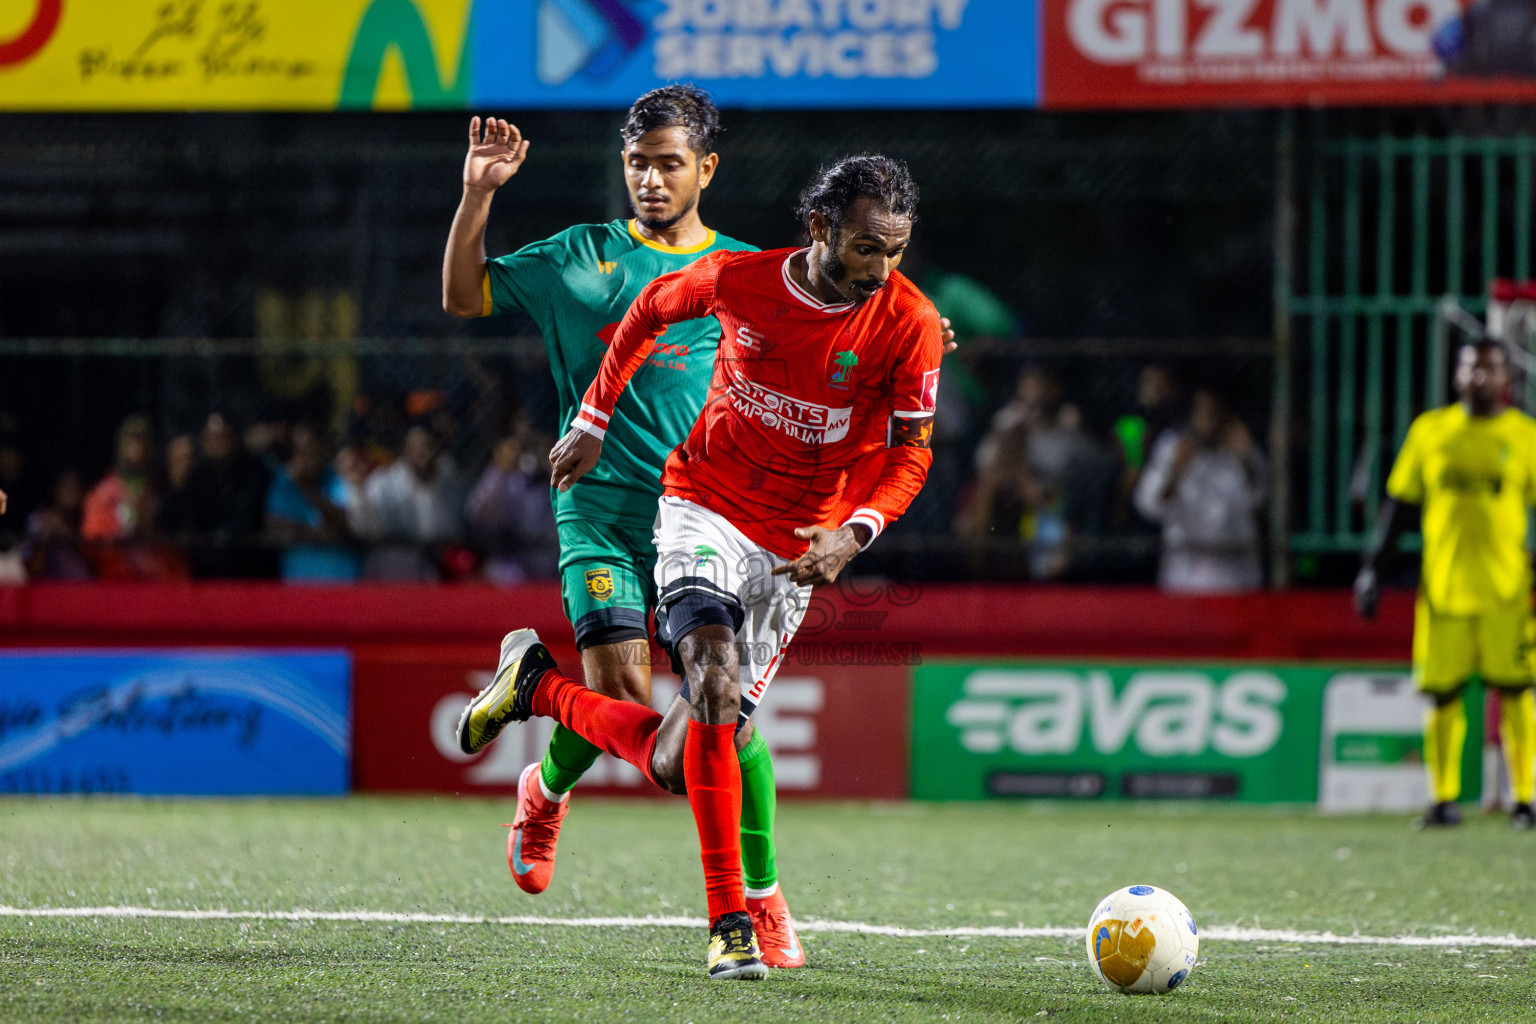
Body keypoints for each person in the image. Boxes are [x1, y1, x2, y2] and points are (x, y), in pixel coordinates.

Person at [457, 155, 942, 980]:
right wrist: (595, 414)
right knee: (712, 682)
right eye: (866, 248)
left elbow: (912, 453)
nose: (880, 269)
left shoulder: (909, 320)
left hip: (794, 548)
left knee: (689, 756)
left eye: (894, 251)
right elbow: (648, 309)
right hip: (701, 507)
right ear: (820, 227)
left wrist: (854, 533)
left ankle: (537, 688)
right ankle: (735, 922)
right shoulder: (740, 281)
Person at [439, 85, 795, 962]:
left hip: (708, 520)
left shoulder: (747, 273)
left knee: (726, 724)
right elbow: (463, 297)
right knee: (633, 699)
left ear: (705, 169)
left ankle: (759, 894)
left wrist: (920, 334)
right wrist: (478, 194)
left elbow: (839, 334)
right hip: (597, 512)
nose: (649, 178)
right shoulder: (578, 258)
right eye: (637, 162)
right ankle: (554, 794)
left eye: (669, 163)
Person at [1355, 340, 1536, 830]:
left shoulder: (1525, 436)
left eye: (1490, 369)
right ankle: (1442, 800)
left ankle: (1526, 799)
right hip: (1443, 590)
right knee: (1441, 695)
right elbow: (1399, 507)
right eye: (1471, 368)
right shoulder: (1430, 432)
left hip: (1508, 591)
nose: (1480, 377)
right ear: (1456, 376)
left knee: (1518, 691)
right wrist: (1373, 568)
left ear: (1506, 379)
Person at [1134, 388, 1267, 593]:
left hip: (1234, 578)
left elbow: (1262, 506)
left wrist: (1246, 462)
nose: (1208, 421)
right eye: (1202, 413)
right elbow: (1149, 506)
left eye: (1215, 413)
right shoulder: (1172, 447)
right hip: (1185, 577)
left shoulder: (1243, 453)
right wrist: (1176, 472)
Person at [346, 423, 463, 581]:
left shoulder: (449, 485)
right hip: (394, 563)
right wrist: (358, 492)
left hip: (437, 565)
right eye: (416, 447)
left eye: (428, 446)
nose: (423, 453)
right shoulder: (383, 484)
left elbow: (452, 530)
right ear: (405, 451)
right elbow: (366, 528)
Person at [266, 423, 361, 582]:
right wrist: (320, 534)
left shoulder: (339, 479)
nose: (305, 458)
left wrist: (307, 488)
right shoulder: (283, 483)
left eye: (311, 449)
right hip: (299, 582)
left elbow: (342, 522)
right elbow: (278, 527)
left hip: (343, 581)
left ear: (322, 449)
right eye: (300, 452)